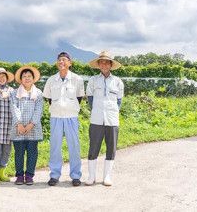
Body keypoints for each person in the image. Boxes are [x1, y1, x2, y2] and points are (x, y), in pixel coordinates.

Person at [43, 52, 85, 186]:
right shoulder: (51, 80)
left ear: (70, 63)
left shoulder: (77, 79)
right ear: (57, 63)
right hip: (56, 117)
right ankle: (54, 175)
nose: (61, 62)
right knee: (55, 147)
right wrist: (58, 108)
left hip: (71, 117)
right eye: (59, 60)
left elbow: (79, 98)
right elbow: (49, 99)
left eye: (64, 60)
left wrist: (69, 107)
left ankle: (76, 176)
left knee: (74, 146)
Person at [85, 51, 124, 186]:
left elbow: (119, 101)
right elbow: (90, 99)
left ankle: (107, 177)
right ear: (98, 65)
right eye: (101, 62)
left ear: (111, 64)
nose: (104, 64)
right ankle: (91, 177)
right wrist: (97, 109)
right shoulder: (93, 80)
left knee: (111, 148)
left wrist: (111, 111)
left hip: (112, 120)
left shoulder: (118, 82)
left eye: (107, 62)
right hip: (96, 119)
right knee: (93, 147)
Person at [10, 65, 44, 186]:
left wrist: (31, 124)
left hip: (33, 128)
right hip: (18, 127)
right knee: (19, 153)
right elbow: (14, 108)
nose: (27, 78)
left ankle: (29, 175)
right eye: (24, 76)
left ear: (33, 78)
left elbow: (39, 110)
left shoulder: (38, 93)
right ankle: (19, 175)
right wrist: (19, 124)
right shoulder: (14, 93)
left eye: (29, 76)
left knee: (32, 152)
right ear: (20, 79)